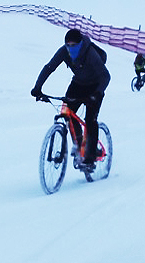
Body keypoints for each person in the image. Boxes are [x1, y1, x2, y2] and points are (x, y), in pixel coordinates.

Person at [31, 28, 111, 168]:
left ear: (80, 44)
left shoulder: (90, 53)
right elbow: (49, 67)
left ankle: (90, 157)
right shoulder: (64, 51)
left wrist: (97, 94)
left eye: (74, 45)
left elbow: (105, 76)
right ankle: (79, 144)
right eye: (68, 45)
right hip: (78, 84)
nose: (70, 48)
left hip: (95, 86)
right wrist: (37, 87)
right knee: (67, 112)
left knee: (90, 120)